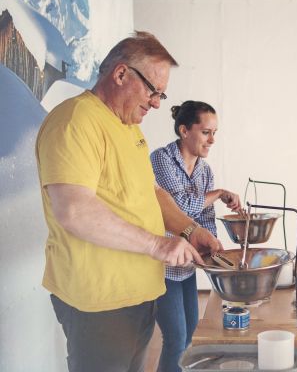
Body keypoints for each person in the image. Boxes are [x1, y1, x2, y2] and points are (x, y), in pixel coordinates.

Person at [35, 31, 222, 372]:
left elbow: (151, 193)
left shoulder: (129, 128)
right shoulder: (75, 121)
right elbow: (74, 210)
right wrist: (157, 246)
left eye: (161, 95)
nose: (156, 103)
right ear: (121, 74)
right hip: (99, 304)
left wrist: (189, 230)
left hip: (139, 296)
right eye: (153, 91)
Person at [150, 100, 242, 372]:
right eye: (206, 132)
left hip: (186, 267)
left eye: (215, 133)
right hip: (161, 266)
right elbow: (178, 208)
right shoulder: (161, 159)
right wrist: (219, 193)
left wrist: (214, 248)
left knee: (189, 334)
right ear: (184, 130)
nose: (212, 139)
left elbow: (203, 218)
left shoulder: (205, 171)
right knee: (176, 339)